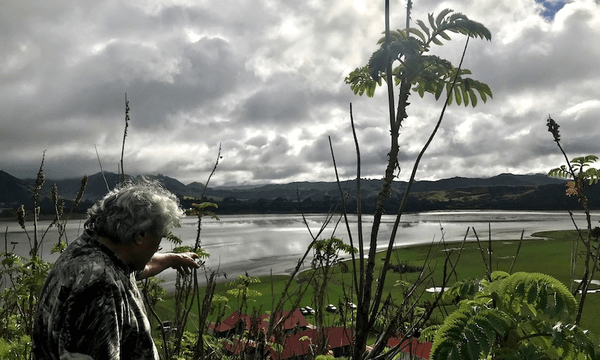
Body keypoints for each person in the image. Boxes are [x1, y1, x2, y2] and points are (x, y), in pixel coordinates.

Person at [32, 178, 200, 360]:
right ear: (140, 235)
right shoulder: (100, 286)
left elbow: (136, 270)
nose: (157, 248)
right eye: (158, 239)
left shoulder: (90, 250)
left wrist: (172, 259)